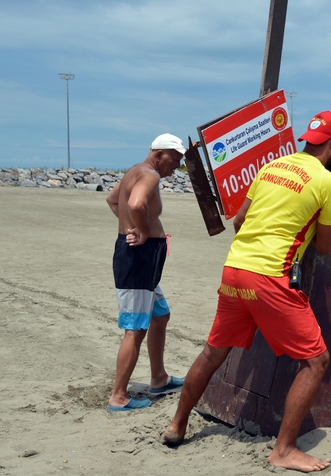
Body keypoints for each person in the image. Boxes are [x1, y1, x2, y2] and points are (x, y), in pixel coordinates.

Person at [163, 111, 331, 473]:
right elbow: (326, 248)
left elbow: (238, 221)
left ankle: (176, 425)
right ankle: (283, 449)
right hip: (271, 276)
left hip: (235, 270)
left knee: (212, 352)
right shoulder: (329, 183)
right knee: (317, 362)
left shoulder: (272, 167)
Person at [104, 133, 188, 412]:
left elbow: (112, 200)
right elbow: (135, 204)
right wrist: (140, 231)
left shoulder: (135, 171)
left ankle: (159, 378)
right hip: (137, 259)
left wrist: (133, 226)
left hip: (141, 259)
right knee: (135, 328)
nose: (176, 166)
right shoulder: (149, 175)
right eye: (174, 160)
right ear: (158, 154)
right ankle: (118, 396)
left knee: (160, 315)